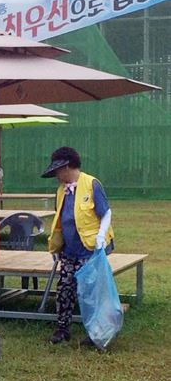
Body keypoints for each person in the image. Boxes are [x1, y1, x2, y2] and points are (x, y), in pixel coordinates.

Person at [42, 146, 114, 346]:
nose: (56, 175)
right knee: (65, 288)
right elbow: (60, 219)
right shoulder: (61, 190)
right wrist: (56, 247)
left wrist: (101, 236)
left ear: (66, 167)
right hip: (69, 251)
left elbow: (106, 213)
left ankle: (96, 332)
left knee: (90, 292)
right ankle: (62, 328)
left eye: (57, 170)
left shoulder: (92, 184)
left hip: (89, 250)